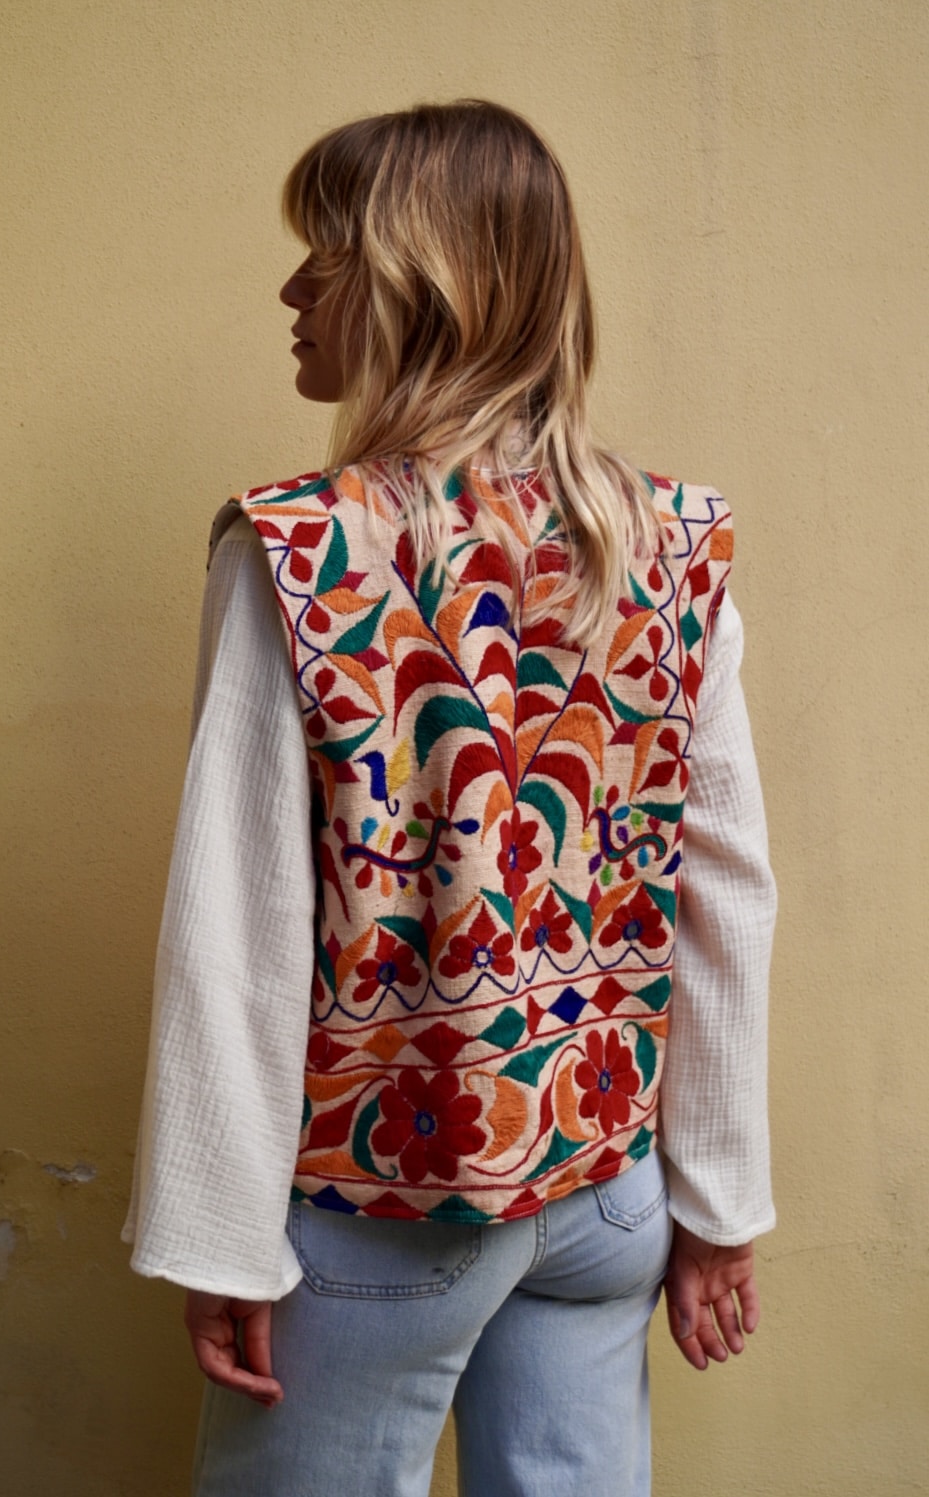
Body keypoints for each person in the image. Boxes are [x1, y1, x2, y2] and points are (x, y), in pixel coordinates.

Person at [123, 100, 776, 1497]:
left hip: (384, 1203)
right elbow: (724, 892)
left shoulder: (302, 552)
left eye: (328, 256)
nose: (292, 291)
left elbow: (239, 923)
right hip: (605, 1185)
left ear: (417, 287)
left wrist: (219, 1235)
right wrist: (718, 1200)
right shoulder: (669, 544)